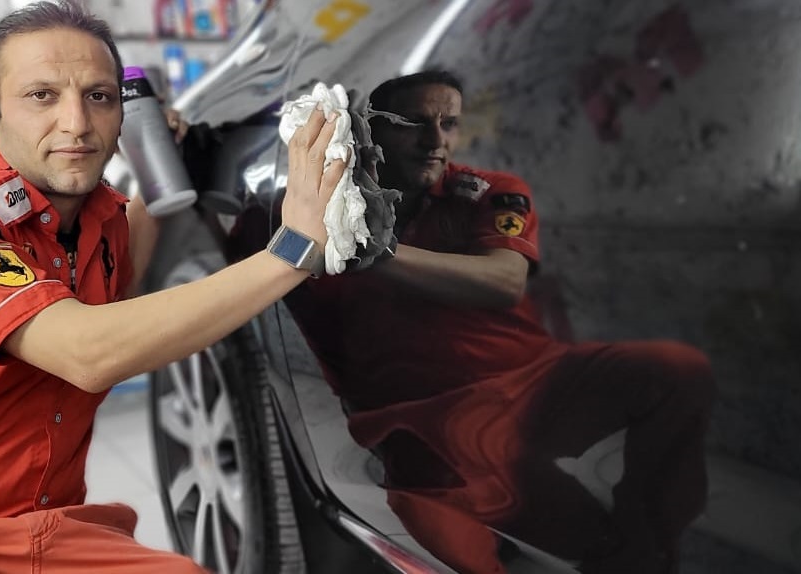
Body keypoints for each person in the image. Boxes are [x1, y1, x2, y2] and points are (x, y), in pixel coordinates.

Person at [0, 1, 345, 572]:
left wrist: (162, 172)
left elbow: (124, 298)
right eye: (42, 95)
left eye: (100, 96)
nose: (77, 123)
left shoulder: (105, 220)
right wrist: (291, 252)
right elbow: (87, 352)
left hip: (52, 538)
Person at [282, 70, 716, 573]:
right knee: (453, 535)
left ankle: (639, 548)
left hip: (533, 386)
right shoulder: (324, 214)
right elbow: (281, 273)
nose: (435, 141)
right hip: (428, 431)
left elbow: (504, 280)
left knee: (674, 370)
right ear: (371, 129)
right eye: (414, 123)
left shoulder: (488, 193)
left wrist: (377, 254)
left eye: (448, 124)